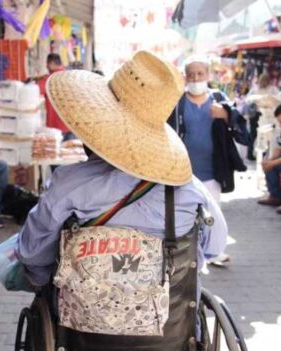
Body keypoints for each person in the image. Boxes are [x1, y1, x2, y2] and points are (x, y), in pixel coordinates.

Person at [13, 50, 227, 289]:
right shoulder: (191, 191)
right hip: (172, 317)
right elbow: (214, 246)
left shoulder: (68, 184)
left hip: (78, 319)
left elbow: (32, 254)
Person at [166, 57, 233, 264]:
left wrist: (226, 115)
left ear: (208, 76)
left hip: (212, 169)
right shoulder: (178, 102)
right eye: (191, 74)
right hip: (184, 169)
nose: (195, 78)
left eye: (200, 74)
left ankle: (215, 251)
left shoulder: (218, 99)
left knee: (213, 211)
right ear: (185, 77)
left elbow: (240, 121)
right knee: (182, 210)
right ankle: (185, 251)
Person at [38, 53, 75, 140]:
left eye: (47, 64)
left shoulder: (48, 79)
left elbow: (36, 91)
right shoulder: (69, 77)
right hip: (71, 125)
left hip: (56, 127)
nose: (46, 67)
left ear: (51, 63)